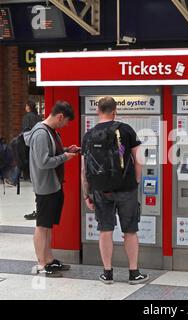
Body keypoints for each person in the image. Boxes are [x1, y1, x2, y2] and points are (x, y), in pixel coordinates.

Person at [81, 96, 149, 285]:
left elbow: (84, 169)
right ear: (115, 111)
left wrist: (86, 193)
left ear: (97, 111)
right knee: (130, 231)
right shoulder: (126, 129)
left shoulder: (89, 135)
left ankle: (107, 273)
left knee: (105, 230)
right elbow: (139, 159)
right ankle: (134, 273)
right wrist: (135, 180)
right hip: (126, 189)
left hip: (100, 190)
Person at [24, 101, 80, 277]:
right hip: (45, 186)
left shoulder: (51, 132)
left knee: (48, 225)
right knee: (42, 225)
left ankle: (49, 259)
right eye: (66, 122)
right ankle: (42, 264)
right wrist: (65, 157)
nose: (66, 125)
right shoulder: (41, 133)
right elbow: (43, 161)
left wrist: (65, 150)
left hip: (53, 184)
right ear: (60, 116)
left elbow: (50, 153)